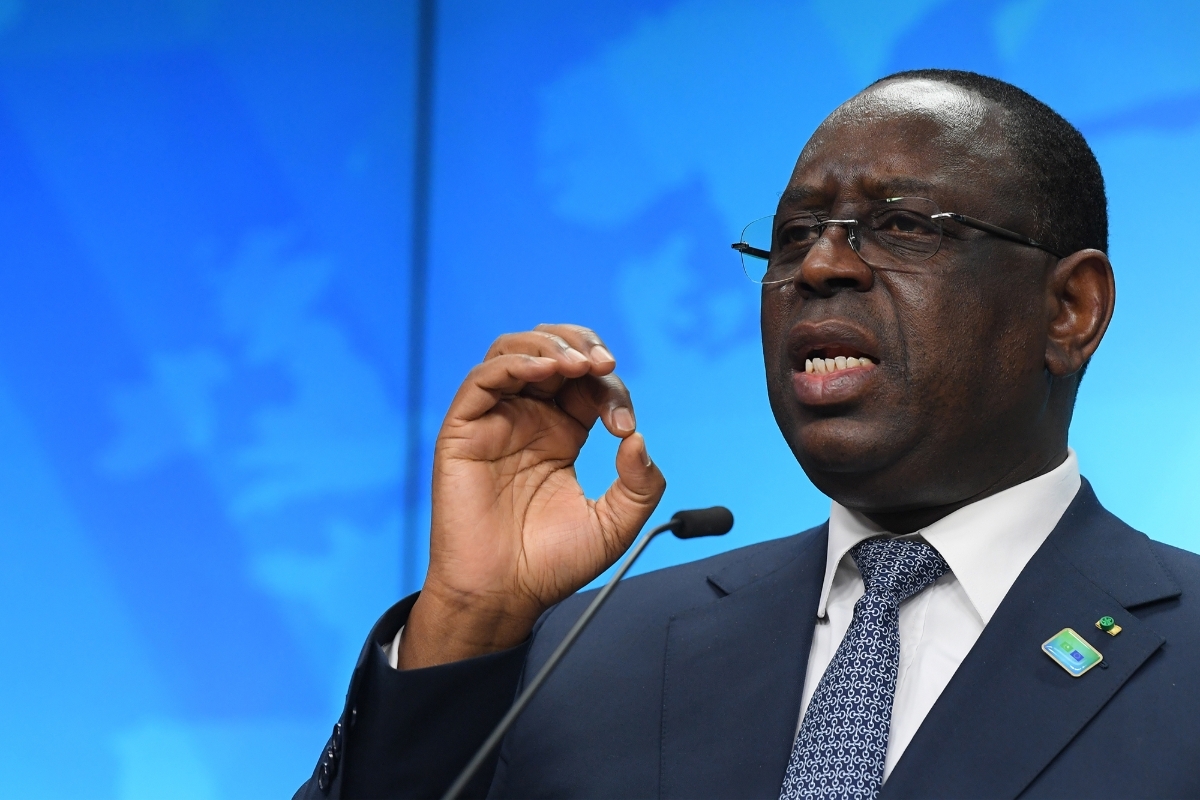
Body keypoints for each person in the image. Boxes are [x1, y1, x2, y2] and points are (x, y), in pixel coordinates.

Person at [296, 69, 1200, 800]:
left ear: (1070, 309)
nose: (821, 265)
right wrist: (471, 620)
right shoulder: (595, 647)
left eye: (898, 227)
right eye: (793, 234)